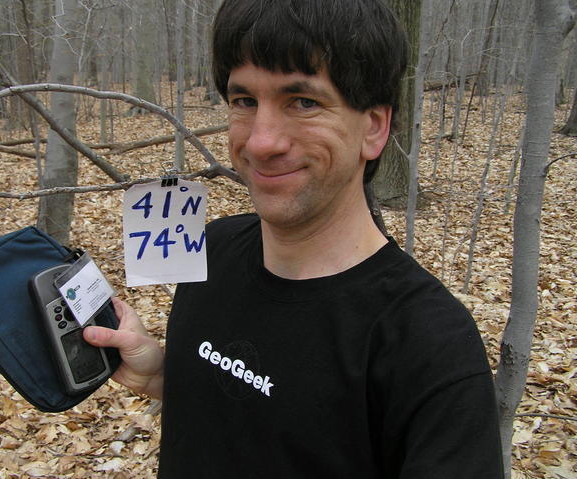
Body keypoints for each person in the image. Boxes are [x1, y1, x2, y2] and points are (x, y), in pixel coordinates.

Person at [84, 0, 505, 477]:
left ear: (374, 127)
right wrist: (165, 375)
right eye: (244, 101)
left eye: (303, 102)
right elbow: (272, 413)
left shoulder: (428, 343)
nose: (262, 141)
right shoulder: (213, 249)